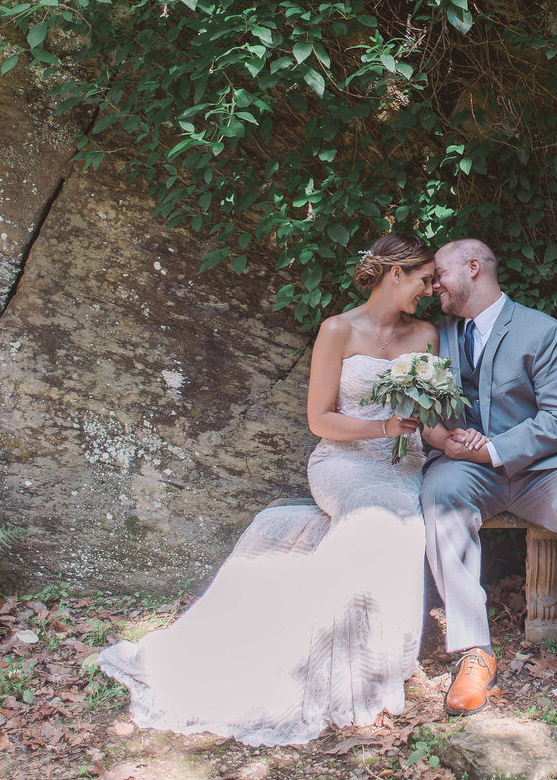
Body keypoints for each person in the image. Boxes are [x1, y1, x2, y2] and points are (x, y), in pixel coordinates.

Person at [97, 231, 440, 746]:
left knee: (393, 522)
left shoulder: (427, 336)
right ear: (396, 274)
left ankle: (369, 666)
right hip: (344, 462)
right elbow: (320, 420)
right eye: (424, 279)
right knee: (373, 515)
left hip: (402, 463)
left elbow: (428, 416)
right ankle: (313, 666)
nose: (431, 289)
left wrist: (450, 438)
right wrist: (381, 429)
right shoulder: (338, 330)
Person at [419, 238, 557, 720]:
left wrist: (494, 448)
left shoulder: (544, 331)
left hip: (546, 467)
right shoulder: (436, 336)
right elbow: (425, 408)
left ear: (473, 268)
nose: (434, 286)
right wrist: (447, 441)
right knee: (439, 492)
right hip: (467, 469)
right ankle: (473, 650)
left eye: (439, 274)